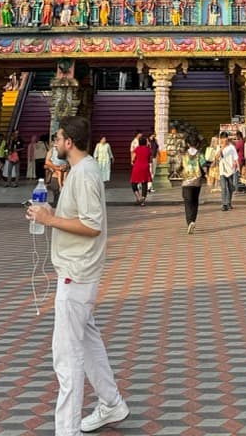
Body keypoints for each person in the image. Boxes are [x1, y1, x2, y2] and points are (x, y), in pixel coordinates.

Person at [26, 119, 129, 435]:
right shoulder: (78, 171)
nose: (54, 142)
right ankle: (111, 402)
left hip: (76, 272)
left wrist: (50, 218)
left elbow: (92, 225)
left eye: (57, 137)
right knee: (87, 342)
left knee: (66, 357)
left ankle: (66, 430)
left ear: (68, 141)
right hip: (78, 270)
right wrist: (49, 214)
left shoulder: (84, 174)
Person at [181, 144, 205, 235]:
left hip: (186, 181)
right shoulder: (200, 154)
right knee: (195, 201)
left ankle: (189, 222)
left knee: (187, 202)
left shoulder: (183, 154)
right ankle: (193, 220)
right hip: (197, 181)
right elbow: (204, 165)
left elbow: (178, 166)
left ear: (187, 144)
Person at [217, 132, 239, 212]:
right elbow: (216, 157)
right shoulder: (219, 147)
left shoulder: (232, 147)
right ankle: (224, 204)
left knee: (230, 187)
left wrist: (237, 166)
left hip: (230, 170)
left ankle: (229, 202)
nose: (223, 139)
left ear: (227, 138)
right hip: (222, 170)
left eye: (225, 138)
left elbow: (236, 157)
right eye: (222, 138)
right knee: (223, 188)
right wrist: (222, 148)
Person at [130, 135, 152, 205]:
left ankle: (138, 197)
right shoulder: (148, 149)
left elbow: (133, 158)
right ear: (145, 142)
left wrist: (132, 162)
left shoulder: (137, 148)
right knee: (144, 183)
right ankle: (143, 200)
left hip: (137, 167)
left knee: (133, 183)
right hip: (145, 167)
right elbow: (150, 159)